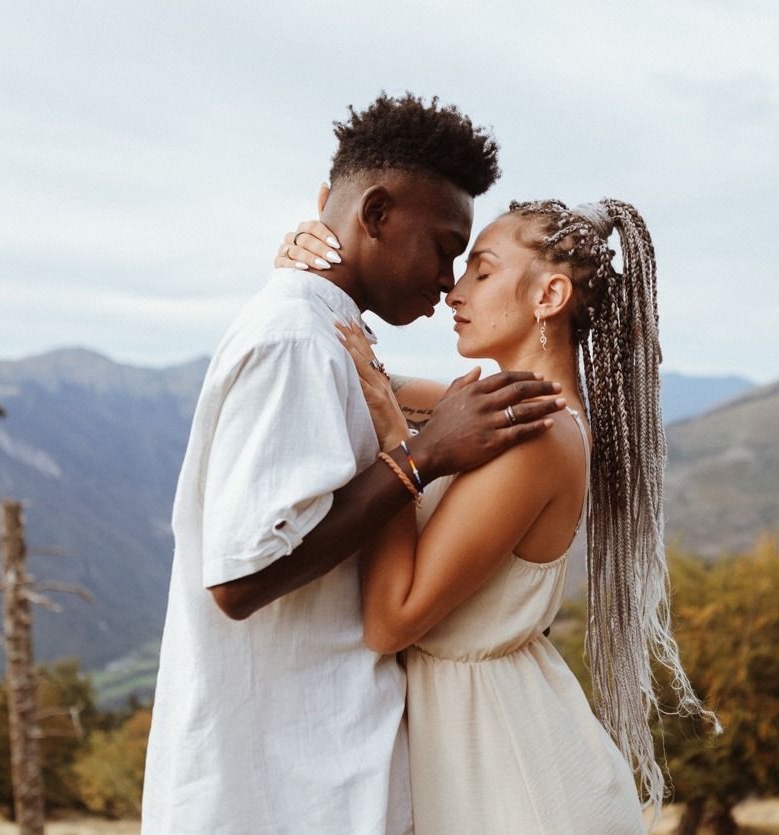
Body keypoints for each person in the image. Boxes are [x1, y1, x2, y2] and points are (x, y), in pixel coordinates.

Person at [142, 94, 568, 835]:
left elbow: (400, 393)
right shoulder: (297, 339)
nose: (448, 281)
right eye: (444, 246)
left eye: (470, 263)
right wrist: (421, 459)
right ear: (373, 214)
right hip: (282, 788)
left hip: (327, 770)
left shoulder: (328, 335)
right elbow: (238, 579)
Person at [287, 198, 715, 833]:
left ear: (550, 295)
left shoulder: (537, 435)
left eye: (481, 272)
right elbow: (346, 370)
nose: (453, 291)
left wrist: (397, 448)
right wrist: (312, 278)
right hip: (480, 747)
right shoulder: (500, 410)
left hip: (512, 776)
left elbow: (390, 619)